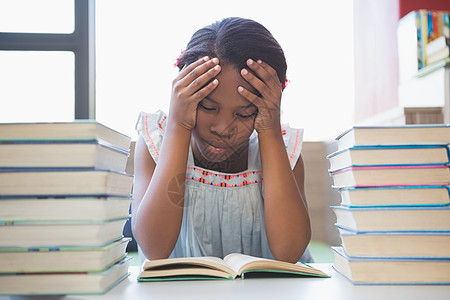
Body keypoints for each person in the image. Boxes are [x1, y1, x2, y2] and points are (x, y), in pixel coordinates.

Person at [132, 17, 312, 264]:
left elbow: (289, 252)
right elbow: (154, 248)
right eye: (207, 107)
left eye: (244, 113)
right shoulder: (158, 142)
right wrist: (178, 125)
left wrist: (269, 130)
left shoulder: (284, 150)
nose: (223, 128)